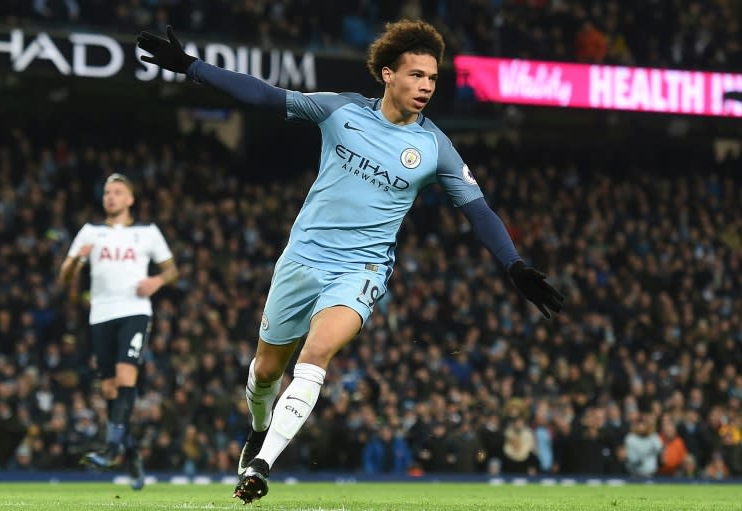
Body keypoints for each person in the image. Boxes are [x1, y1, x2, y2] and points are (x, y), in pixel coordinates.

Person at [136, 20, 563, 503]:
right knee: (265, 370)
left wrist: (514, 265)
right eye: (416, 75)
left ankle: (260, 464)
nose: (425, 86)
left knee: (315, 354)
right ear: (387, 74)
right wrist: (192, 67)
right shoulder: (340, 111)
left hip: (360, 269)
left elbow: (478, 210)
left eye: (432, 78)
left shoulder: (434, 146)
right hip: (301, 259)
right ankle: (259, 427)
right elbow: (263, 96)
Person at [58, 173, 178, 490]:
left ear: (130, 199)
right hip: (100, 315)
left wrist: (158, 281)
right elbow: (64, 276)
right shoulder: (90, 232)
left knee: (126, 379)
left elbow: (172, 269)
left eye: (117, 192)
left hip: (134, 312)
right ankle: (132, 454)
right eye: (107, 192)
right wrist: (76, 263)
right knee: (110, 390)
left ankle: (111, 448)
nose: (110, 196)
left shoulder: (147, 233)